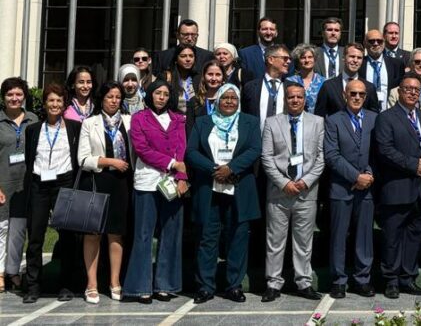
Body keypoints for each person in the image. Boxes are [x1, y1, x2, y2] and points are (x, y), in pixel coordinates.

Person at [186, 83, 260, 304]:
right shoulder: (202, 122)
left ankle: (234, 285)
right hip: (209, 188)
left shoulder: (250, 122)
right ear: (216, 101)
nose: (229, 101)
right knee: (207, 239)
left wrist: (232, 168)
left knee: (237, 237)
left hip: (239, 187)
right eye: (225, 98)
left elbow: (255, 149)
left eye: (233, 98)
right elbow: (190, 152)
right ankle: (205, 286)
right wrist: (214, 170)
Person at [125, 80, 188, 303]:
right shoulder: (139, 118)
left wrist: (181, 177)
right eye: (157, 93)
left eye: (165, 94)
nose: (161, 97)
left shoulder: (179, 119)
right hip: (147, 183)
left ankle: (165, 284)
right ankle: (140, 286)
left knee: (171, 233)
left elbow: (182, 150)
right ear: (150, 95)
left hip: (172, 184)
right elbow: (142, 149)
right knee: (143, 234)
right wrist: (172, 164)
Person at [260, 82, 324, 302]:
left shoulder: (317, 122)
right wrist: (283, 182)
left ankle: (304, 282)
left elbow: (320, 159)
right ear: (285, 100)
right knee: (275, 241)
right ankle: (273, 283)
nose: (295, 100)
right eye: (291, 97)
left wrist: (305, 181)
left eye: (299, 97)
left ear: (305, 99)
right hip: (279, 192)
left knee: (304, 242)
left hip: (306, 192)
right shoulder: (272, 123)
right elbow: (266, 158)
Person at [374, 74, 421, 299]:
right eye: (407, 88)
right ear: (399, 91)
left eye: (416, 89)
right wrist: (412, 165)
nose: (412, 92)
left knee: (414, 238)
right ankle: (390, 280)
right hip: (396, 189)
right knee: (392, 238)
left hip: (420, 190)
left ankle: (408, 278)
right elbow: (384, 150)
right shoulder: (386, 118)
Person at [22, 84, 82, 303]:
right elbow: (30, 159)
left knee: (66, 235)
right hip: (39, 184)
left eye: (59, 101)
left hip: (63, 182)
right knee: (35, 236)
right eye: (51, 100)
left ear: (64, 104)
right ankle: (33, 285)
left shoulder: (75, 127)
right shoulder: (33, 129)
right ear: (44, 104)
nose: (55, 104)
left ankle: (66, 284)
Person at [77, 82, 133, 304]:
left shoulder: (129, 122)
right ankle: (91, 284)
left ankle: (115, 281)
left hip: (122, 184)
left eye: (118, 97)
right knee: (93, 234)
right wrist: (109, 162)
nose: (114, 100)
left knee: (116, 233)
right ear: (102, 99)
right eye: (110, 96)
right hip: (97, 181)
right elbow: (82, 158)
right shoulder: (90, 123)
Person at [324, 78, 378, 298]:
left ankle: (362, 279)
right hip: (341, 187)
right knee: (338, 235)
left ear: (366, 97)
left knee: (364, 236)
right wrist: (356, 176)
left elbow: (379, 151)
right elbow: (331, 155)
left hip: (367, 188)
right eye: (352, 94)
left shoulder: (375, 119)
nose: (357, 98)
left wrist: (369, 175)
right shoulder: (333, 120)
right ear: (345, 95)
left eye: (361, 94)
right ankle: (338, 280)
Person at [0, 77, 37, 294]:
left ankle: (12, 271)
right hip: (3, 184)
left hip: (25, 185)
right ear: (4, 98)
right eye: (10, 95)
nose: (15, 98)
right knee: (1, 229)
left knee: (17, 231)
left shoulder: (32, 120)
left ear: (24, 96)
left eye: (19, 94)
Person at [314, 43, 377, 117]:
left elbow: (374, 116)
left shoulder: (369, 87)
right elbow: (319, 116)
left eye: (359, 58)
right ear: (343, 58)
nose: (355, 60)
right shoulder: (328, 86)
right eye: (352, 56)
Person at [241, 44, 290, 130]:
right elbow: (245, 115)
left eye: (289, 59)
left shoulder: (291, 87)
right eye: (285, 58)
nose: (288, 62)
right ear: (271, 59)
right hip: (257, 139)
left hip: (284, 140)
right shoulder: (251, 87)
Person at [361, 29, 404, 111]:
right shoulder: (360, 64)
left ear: (384, 43)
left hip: (389, 112)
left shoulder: (397, 64)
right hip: (365, 112)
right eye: (371, 41)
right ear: (365, 44)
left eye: (379, 41)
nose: (376, 44)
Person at [162, 43, 201, 118]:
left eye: (191, 56)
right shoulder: (167, 77)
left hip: (193, 123)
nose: (188, 59)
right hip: (173, 122)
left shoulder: (199, 78)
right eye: (183, 56)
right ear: (176, 59)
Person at [285, 43, 326, 113]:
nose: (307, 60)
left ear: (315, 59)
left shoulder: (324, 82)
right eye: (303, 58)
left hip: (316, 121)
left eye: (310, 57)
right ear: (298, 61)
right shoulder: (289, 81)